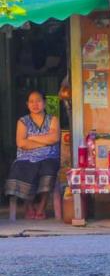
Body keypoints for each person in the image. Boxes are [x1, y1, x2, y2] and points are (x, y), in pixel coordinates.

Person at [5, 91, 61, 220]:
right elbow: (21, 143)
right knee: (22, 168)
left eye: (38, 100)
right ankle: (29, 207)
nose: (35, 104)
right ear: (27, 104)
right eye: (31, 101)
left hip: (49, 157)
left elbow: (54, 138)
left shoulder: (53, 119)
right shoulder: (23, 121)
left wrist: (32, 138)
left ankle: (42, 207)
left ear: (45, 103)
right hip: (26, 157)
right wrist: (44, 141)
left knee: (49, 169)